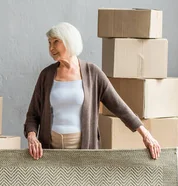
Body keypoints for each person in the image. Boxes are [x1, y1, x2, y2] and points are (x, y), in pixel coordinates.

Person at [23, 22, 161, 160]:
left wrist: (146, 135)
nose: (51, 48)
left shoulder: (92, 73)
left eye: (56, 42)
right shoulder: (46, 75)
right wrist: (32, 137)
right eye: (49, 43)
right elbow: (33, 115)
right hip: (49, 151)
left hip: (85, 150)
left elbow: (120, 107)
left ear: (69, 41)